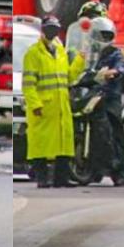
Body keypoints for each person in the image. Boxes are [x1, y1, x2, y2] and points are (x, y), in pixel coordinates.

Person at [21, 16, 75, 188]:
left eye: (55, 28)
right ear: (43, 30)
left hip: (60, 106)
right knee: (41, 145)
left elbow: (69, 77)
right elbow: (29, 84)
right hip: (44, 107)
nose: (52, 32)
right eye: (49, 28)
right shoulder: (33, 53)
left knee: (63, 144)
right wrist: (35, 104)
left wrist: (80, 61)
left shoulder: (60, 52)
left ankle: (61, 179)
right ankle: (42, 179)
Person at [82, 16, 124, 186]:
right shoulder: (88, 52)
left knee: (114, 128)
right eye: (102, 35)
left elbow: (121, 65)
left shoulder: (115, 53)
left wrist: (115, 71)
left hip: (109, 96)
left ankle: (120, 170)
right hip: (91, 94)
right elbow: (82, 67)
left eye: (108, 36)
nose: (105, 39)